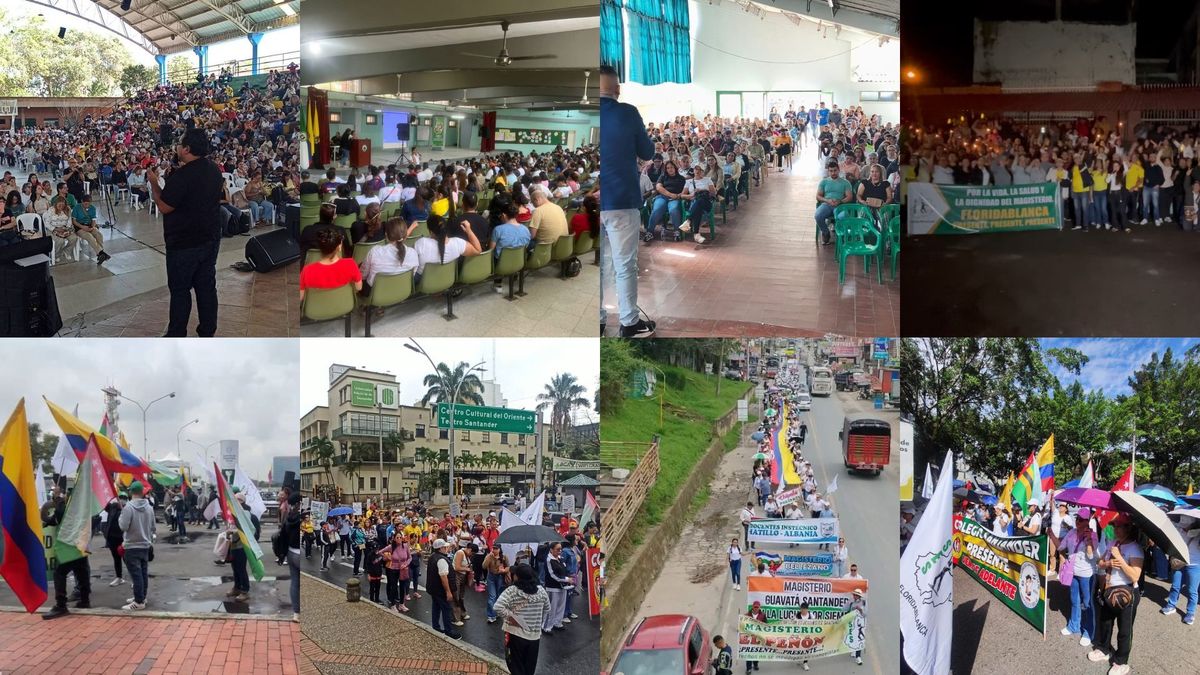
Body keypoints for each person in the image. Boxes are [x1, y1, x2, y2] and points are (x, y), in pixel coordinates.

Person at [147, 128, 224, 337]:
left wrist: (154, 183)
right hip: (210, 238)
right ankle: (208, 331)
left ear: (187, 149)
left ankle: (176, 334)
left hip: (184, 243)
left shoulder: (183, 175)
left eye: (180, 143)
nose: (177, 147)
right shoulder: (214, 169)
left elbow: (164, 206)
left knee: (180, 290)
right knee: (206, 287)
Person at [599, 64, 655, 338]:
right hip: (621, 199)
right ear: (617, 89)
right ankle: (629, 322)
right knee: (624, 264)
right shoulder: (628, 112)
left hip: (591, 203)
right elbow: (647, 151)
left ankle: (598, 321)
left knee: (598, 263)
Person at [1087, 515, 1144, 675]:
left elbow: (1135, 576)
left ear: (1128, 528)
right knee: (1105, 622)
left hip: (1128, 593)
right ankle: (1104, 649)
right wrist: (1108, 563)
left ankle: (1121, 661)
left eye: (1119, 526)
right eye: (1115, 526)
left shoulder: (1135, 548)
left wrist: (1119, 557)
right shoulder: (1113, 543)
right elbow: (1100, 563)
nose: (1116, 529)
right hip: (1109, 590)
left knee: (1125, 630)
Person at [40, 484, 91, 620]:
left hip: (69, 546)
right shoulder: (84, 505)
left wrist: (57, 497)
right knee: (82, 572)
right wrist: (49, 522)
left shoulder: (71, 506)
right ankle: (85, 600)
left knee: (60, 573)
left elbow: (62, 514)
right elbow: (58, 518)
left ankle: (61, 605)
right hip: (80, 544)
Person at [494, 563, 551, 675]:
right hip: (534, 636)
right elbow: (547, 609)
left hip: (516, 634)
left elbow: (498, 607)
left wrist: (512, 618)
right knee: (529, 666)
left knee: (516, 665)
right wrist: (538, 621)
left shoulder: (512, 590)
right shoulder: (541, 591)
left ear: (517, 576)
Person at [1052, 507, 1099, 646]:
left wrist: (1089, 540)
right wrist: (1051, 536)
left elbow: (1091, 555)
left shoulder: (1093, 535)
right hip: (1073, 573)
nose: (1078, 521)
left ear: (1088, 521)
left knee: (1088, 604)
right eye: (1077, 518)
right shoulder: (1072, 532)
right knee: (1074, 600)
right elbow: (1061, 547)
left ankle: (1088, 631)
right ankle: (1074, 626)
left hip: (1087, 575)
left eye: (1082, 520)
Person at [119, 481, 155, 610]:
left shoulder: (128, 507)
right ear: (142, 492)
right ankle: (141, 596)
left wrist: (120, 517)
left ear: (131, 492)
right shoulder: (149, 507)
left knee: (136, 575)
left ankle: (139, 602)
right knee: (143, 573)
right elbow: (153, 527)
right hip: (145, 545)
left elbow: (123, 526)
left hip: (132, 546)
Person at [299, 228, 362, 301]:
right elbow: (358, 288)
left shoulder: (307, 270)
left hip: (316, 309)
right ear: (339, 247)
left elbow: (301, 297)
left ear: (320, 248)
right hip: (344, 304)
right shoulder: (351, 264)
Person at [1161, 512, 1199, 625]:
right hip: (1179, 562)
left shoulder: (1198, 533)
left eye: (1187, 522)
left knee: (1192, 591)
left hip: (1195, 564)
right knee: (1175, 585)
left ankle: (1190, 613)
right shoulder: (1179, 530)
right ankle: (1171, 605)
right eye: (1182, 522)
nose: (1184, 524)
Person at [426, 538, 462, 639]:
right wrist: (448, 592)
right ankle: (448, 631)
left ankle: (436, 627)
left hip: (433, 589)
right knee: (446, 609)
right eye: (445, 547)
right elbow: (443, 577)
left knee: (436, 607)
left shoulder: (433, 556)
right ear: (441, 548)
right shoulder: (441, 560)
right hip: (440, 590)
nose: (447, 548)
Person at [815, 160, 853, 245]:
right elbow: (818, 196)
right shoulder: (824, 182)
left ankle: (842, 234)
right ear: (828, 171)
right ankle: (825, 232)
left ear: (839, 170)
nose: (833, 173)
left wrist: (840, 201)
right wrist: (827, 200)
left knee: (843, 216)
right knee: (818, 216)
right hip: (827, 204)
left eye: (835, 170)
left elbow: (849, 197)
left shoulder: (845, 182)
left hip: (840, 205)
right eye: (831, 171)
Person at [282, 492, 303, 622]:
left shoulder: (289, 517)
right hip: (299, 553)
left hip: (290, 552)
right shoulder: (302, 518)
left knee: (294, 582)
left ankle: (296, 613)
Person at [483, 543, 511, 623]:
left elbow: (508, 567)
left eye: (496, 548)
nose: (494, 550)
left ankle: (497, 612)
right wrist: (488, 557)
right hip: (491, 577)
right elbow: (484, 566)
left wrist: (504, 570)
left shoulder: (504, 557)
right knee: (492, 596)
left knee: (499, 595)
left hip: (500, 577)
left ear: (499, 549)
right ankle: (491, 615)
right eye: (493, 548)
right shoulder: (489, 556)